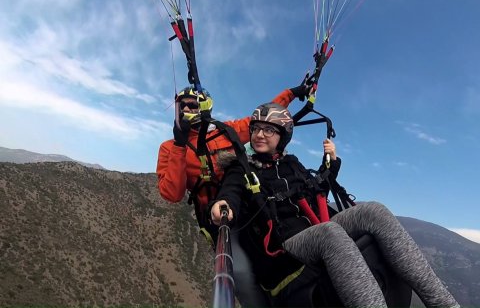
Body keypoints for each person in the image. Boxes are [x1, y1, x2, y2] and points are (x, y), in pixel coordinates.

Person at [210, 102, 459, 308]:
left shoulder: (291, 164)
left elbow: (317, 190)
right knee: (329, 233)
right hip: (284, 245)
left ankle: (444, 303)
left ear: (282, 136)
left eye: (269, 130)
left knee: (374, 210)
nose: (260, 134)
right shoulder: (241, 167)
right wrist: (224, 204)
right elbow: (230, 190)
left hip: (315, 228)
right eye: (256, 129)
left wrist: (331, 162)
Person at [156, 84, 311, 307]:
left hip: (250, 206)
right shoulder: (169, 148)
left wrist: (293, 93)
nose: (186, 109)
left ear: (204, 107)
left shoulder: (224, 133)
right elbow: (172, 193)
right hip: (220, 219)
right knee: (240, 273)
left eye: (192, 105)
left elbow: (265, 117)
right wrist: (180, 145)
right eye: (182, 106)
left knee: (278, 249)